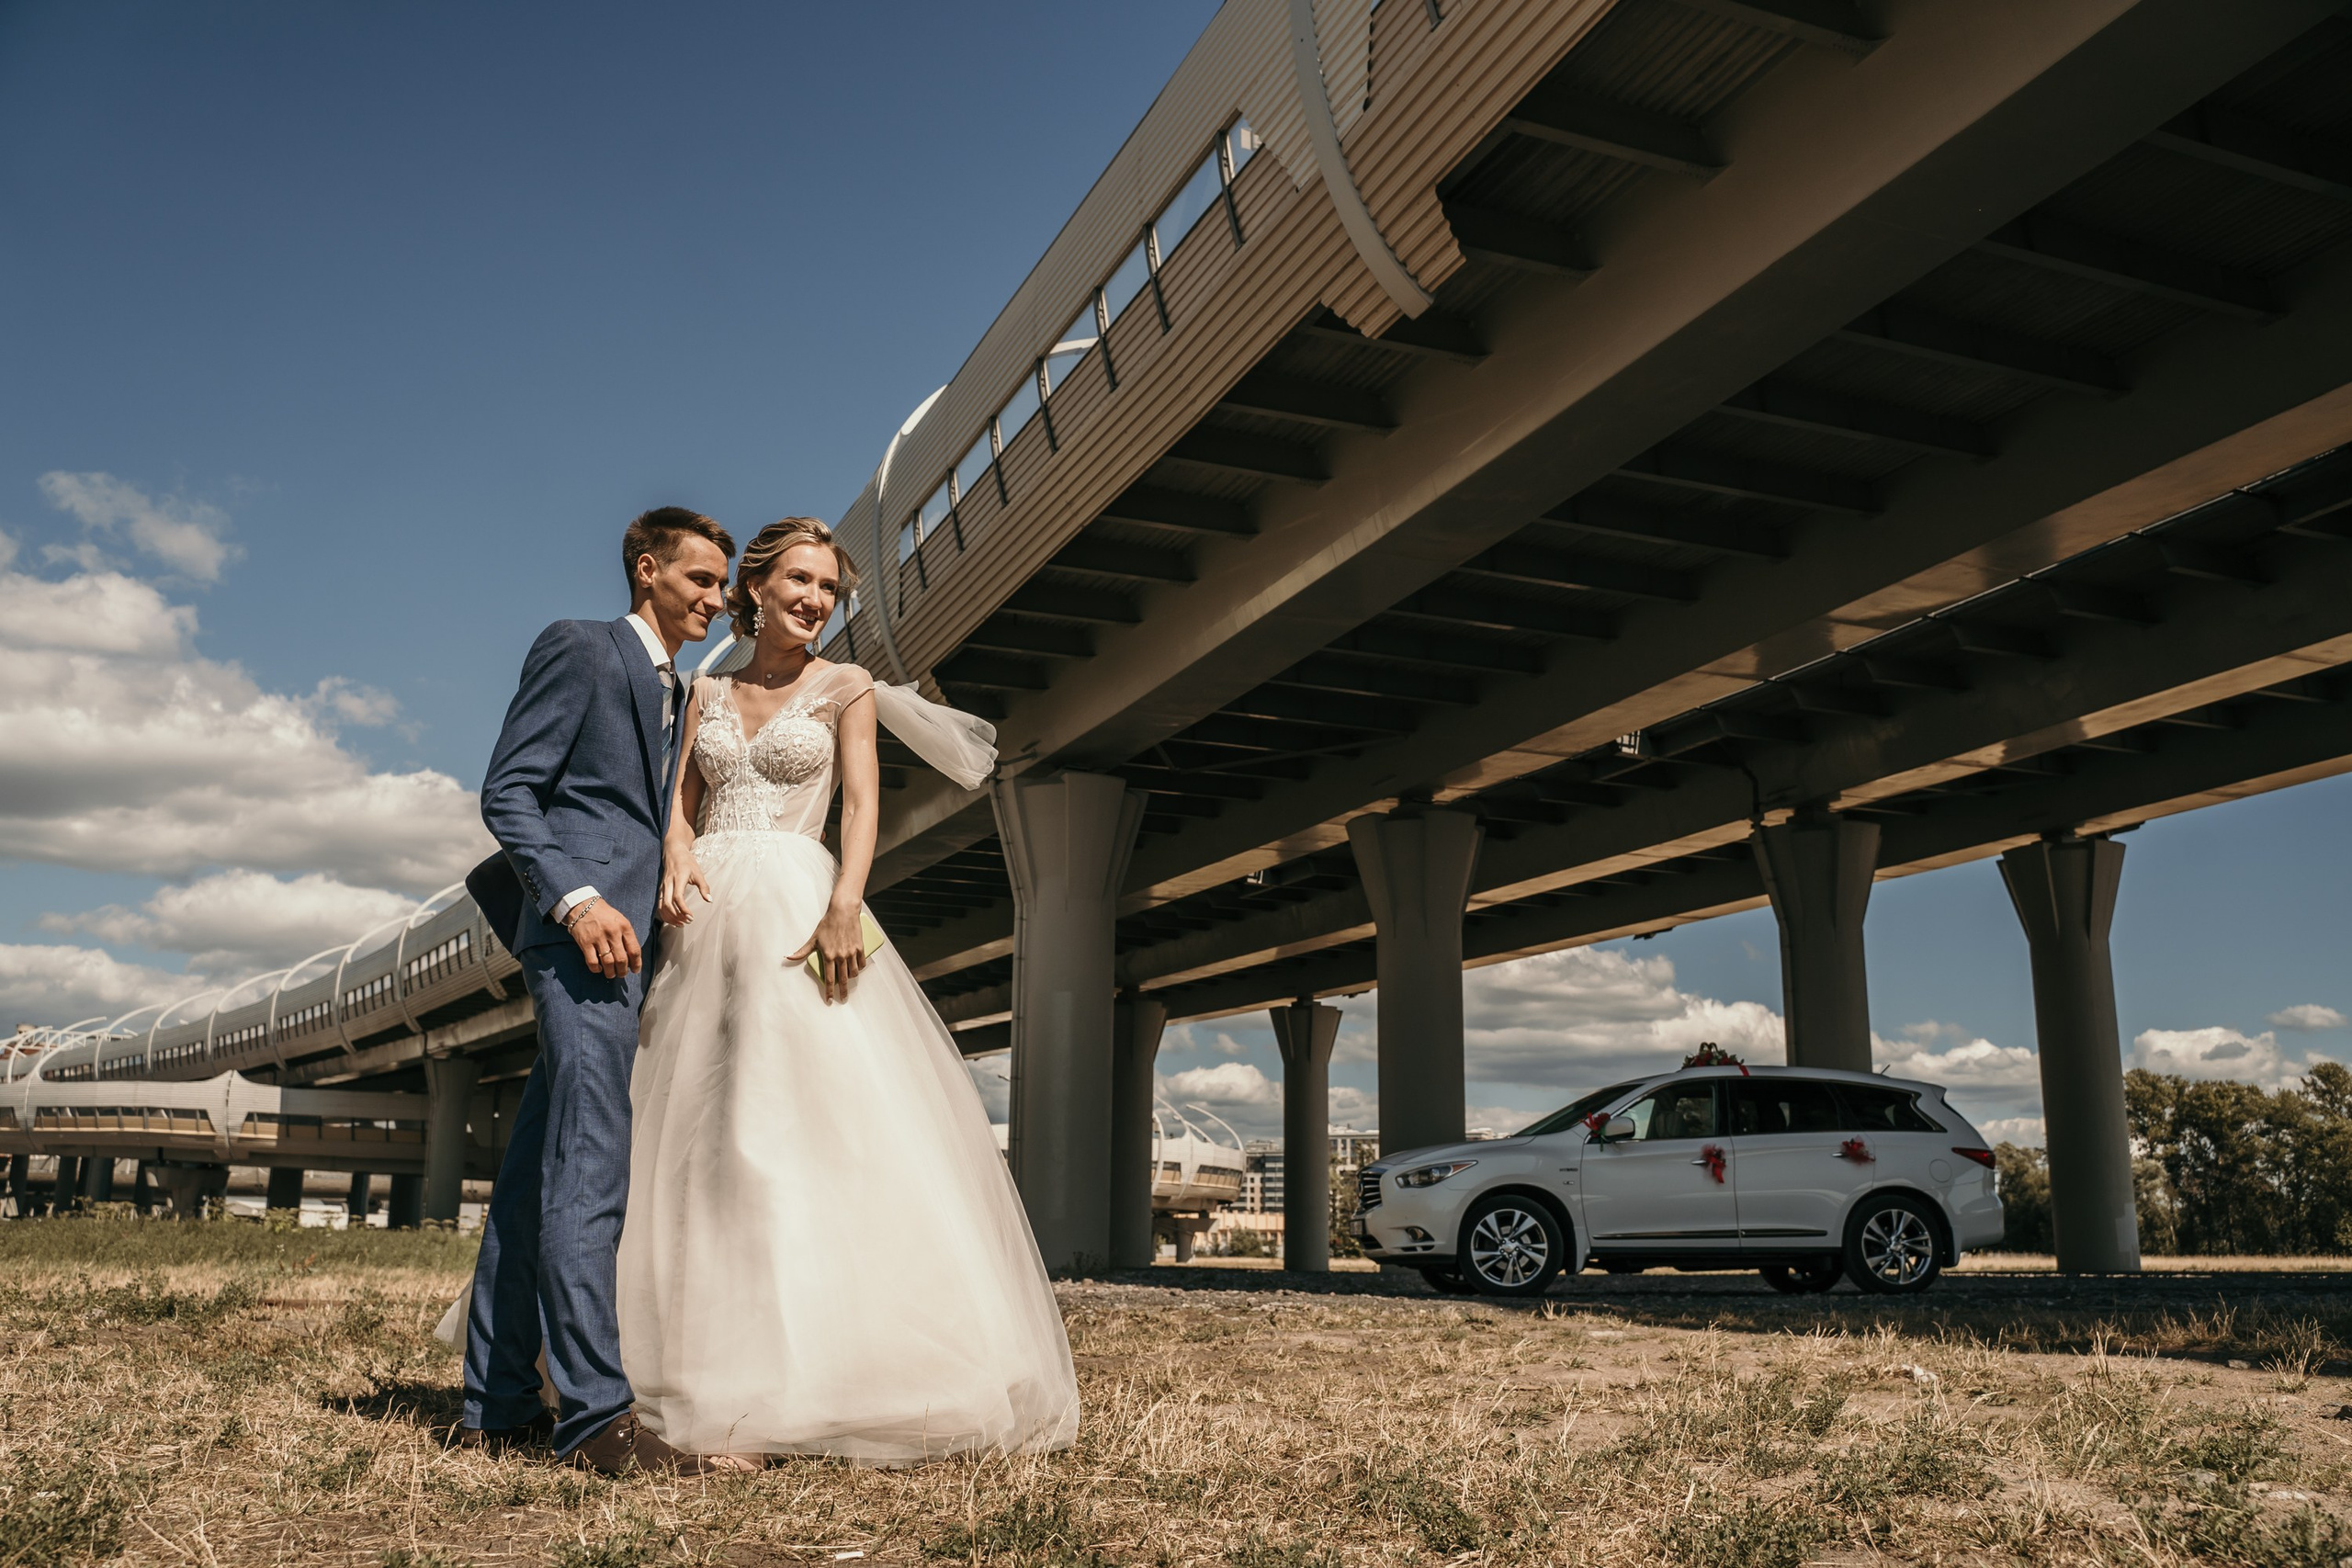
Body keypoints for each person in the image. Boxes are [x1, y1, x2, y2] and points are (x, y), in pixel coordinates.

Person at [617, 517, 1078, 1466]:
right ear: (754, 585)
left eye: (829, 588)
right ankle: (670, 1362)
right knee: (693, 1129)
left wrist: (844, 904)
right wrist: (672, 850)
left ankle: (821, 1375)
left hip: (796, 898)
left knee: (795, 1123)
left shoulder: (846, 687)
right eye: (798, 579)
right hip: (702, 911)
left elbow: (864, 805)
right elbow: (678, 800)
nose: (814, 600)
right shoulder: (702, 686)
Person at [459, 507, 734, 1472]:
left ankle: (494, 1405)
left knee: (542, 1163)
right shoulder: (580, 647)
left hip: (629, 945)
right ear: (648, 570)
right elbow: (509, 791)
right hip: (586, 939)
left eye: (719, 583)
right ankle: (594, 1419)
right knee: (591, 1165)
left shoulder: (678, 690)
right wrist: (576, 903)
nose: (715, 598)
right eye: (699, 579)